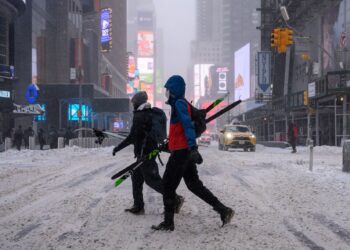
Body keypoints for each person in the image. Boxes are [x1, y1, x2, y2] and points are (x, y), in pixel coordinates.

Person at [152, 75, 234, 231]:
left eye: (168, 90)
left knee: (168, 186)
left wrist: (192, 147)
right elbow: (179, 131)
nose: (166, 93)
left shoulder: (179, 104)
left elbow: (188, 126)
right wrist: (169, 145)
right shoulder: (180, 104)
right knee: (194, 185)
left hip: (182, 152)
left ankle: (168, 223)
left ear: (174, 90)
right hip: (183, 151)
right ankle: (223, 210)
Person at [112, 91, 184, 215]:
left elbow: (132, 137)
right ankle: (138, 206)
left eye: (134, 102)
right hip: (149, 151)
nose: (133, 105)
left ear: (138, 102)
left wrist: (118, 148)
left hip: (145, 155)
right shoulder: (150, 113)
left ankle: (175, 199)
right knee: (136, 178)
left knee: (153, 181)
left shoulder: (140, 116)